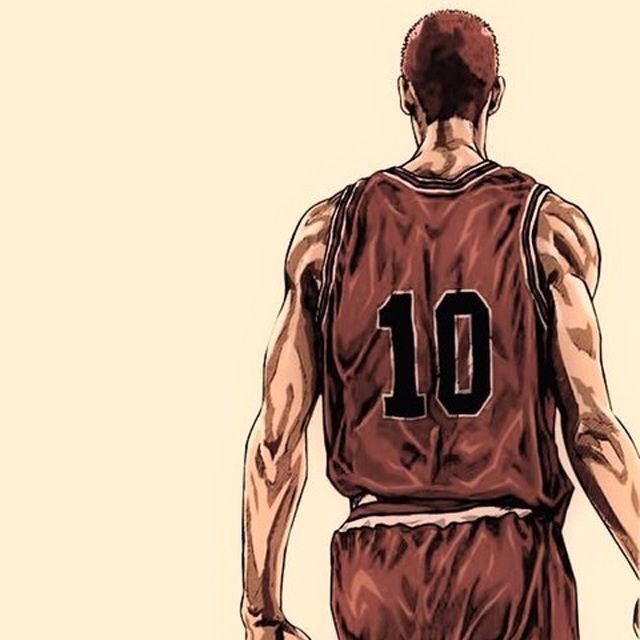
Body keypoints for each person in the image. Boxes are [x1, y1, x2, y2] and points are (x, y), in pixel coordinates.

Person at [240, 9, 640, 640]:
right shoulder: (547, 231)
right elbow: (591, 431)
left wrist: (261, 612)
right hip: (510, 563)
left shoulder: (325, 238)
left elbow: (275, 442)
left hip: (377, 567)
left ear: (406, 95)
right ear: (495, 96)